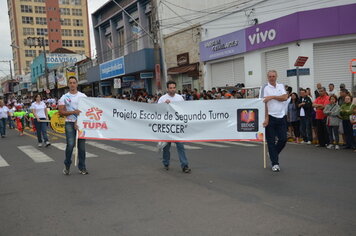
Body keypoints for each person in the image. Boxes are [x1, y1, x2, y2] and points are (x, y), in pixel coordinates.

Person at [157, 81, 191, 173]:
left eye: (174, 87)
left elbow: (184, 109)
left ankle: (185, 165)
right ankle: (166, 163)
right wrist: (164, 104)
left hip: (177, 127)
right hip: (167, 127)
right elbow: (157, 111)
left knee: (180, 146)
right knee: (166, 148)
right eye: (171, 88)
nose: (172, 89)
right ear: (167, 89)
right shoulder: (162, 98)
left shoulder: (180, 98)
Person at [58, 76, 88, 175]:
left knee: (82, 147)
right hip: (69, 123)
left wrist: (78, 121)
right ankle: (67, 165)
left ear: (77, 84)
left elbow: (87, 110)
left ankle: (82, 167)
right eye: (70, 83)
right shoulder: (64, 97)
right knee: (70, 145)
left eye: (74, 82)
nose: (72, 84)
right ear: (68, 84)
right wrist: (73, 112)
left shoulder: (83, 96)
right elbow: (61, 112)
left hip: (81, 124)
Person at [260, 70, 288, 172]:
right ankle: (275, 163)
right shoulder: (265, 88)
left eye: (273, 76)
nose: (272, 78)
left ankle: (273, 153)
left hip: (281, 117)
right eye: (270, 76)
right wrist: (266, 117)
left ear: (276, 76)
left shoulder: (281, 86)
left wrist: (272, 97)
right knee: (271, 142)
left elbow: (285, 97)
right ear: (267, 77)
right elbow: (263, 103)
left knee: (283, 139)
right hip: (270, 117)